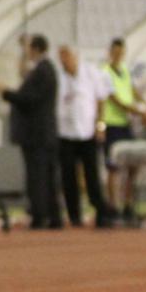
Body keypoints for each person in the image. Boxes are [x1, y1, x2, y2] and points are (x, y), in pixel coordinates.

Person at [0, 35, 60, 229]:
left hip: (37, 134)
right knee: (47, 177)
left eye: (29, 49)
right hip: (43, 133)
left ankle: (40, 216)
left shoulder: (43, 71)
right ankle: (51, 215)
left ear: (36, 49)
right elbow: (25, 74)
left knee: (38, 176)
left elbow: (29, 99)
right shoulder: (44, 70)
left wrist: (5, 92)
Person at [55, 46, 114, 228]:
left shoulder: (91, 73)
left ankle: (100, 211)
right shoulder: (59, 77)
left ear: (75, 57)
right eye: (62, 57)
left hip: (87, 132)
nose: (65, 61)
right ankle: (74, 215)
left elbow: (101, 98)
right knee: (68, 176)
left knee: (92, 175)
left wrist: (100, 125)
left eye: (68, 56)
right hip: (65, 133)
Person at [101, 37, 146, 221]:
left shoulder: (124, 70)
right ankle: (113, 205)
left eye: (121, 52)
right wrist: (139, 111)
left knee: (133, 164)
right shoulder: (105, 72)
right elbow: (114, 99)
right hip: (112, 123)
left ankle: (128, 203)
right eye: (116, 52)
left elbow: (132, 90)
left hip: (125, 124)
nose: (118, 55)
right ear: (110, 52)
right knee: (113, 166)